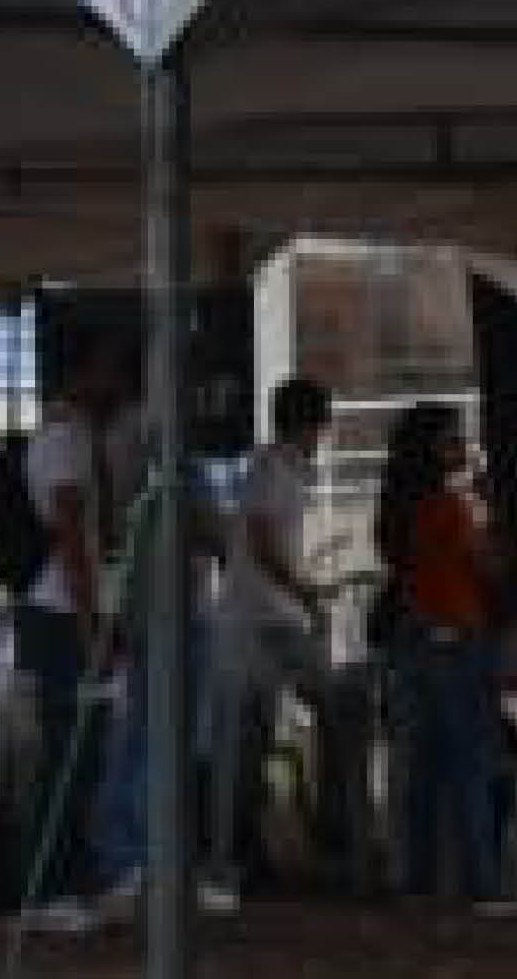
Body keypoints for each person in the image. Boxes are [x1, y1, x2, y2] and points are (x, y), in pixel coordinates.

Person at [13, 327, 149, 931]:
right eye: (107, 370)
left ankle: (79, 877)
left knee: (88, 754)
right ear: (79, 373)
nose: (117, 382)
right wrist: (93, 627)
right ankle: (48, 887)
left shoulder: (84, 436)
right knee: (68, 752)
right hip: (63, 615)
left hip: (81, 609)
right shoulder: (64, 438)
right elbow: (71, 538)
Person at [371, 402, 517, 912]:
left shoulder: (396, 507)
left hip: (412, 638)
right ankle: (482, 880)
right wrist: (494, 513)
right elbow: (491, 568)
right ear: (434, 450)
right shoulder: (451, 507)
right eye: (455, 439)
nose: (465, 446)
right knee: (473, 762)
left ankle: (416, 879)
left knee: (419, 765)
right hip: (460, 636)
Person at [215, 375, 333, 889]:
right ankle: (250, 847)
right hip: (263, 620)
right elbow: (263, 544)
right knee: (321, 709)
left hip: (269, 615)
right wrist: (305, 591)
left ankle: (253, 845)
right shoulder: (270, 470)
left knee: (257, 737)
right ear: (309, 425)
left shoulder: (283, 470)